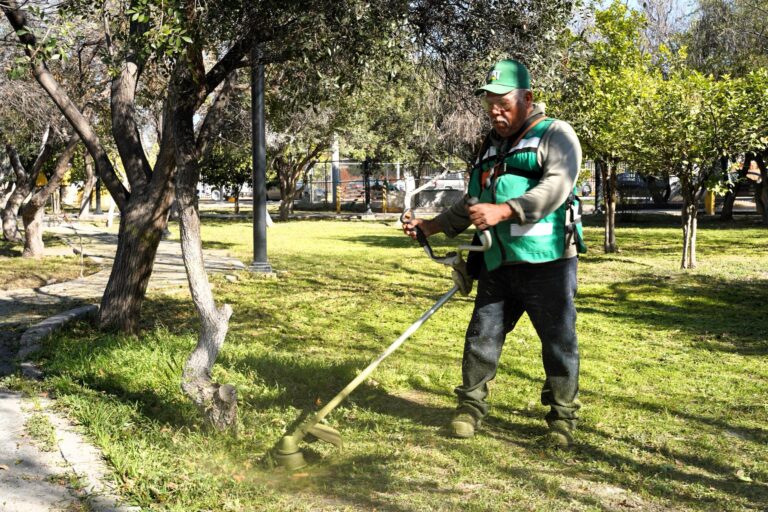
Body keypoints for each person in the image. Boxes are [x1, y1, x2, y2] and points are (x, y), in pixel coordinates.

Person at [402, 59, 585, 448]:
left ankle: (562, 420)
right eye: (489, 106)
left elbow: (556, 187)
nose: (495, 113)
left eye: (503, 104)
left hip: (547, 262)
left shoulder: (556, 135)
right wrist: (430, 226)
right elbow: (473, 200)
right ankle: (469, 408)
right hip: (497, 261)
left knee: (558, 341)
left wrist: (505, 210)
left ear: (527, 98)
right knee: (481, 338)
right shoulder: (491, 145)